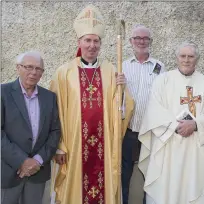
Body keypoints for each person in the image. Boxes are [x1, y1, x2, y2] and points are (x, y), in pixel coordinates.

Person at [49, 4, 134, 204]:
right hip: (74, 145)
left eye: (96, 41)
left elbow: (123, 108)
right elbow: (55, 112)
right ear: (79, 41)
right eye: (87, 40)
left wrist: (121, 92)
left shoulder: (111, 70)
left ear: (100, 44)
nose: (92, 45)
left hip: (103, 146)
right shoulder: (64, 72)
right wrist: (59, 146)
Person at [138, 41, 204, 204]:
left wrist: (195, 125)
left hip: (194, 148)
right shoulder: (163, 81)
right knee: (165, 189)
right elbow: (154, 110)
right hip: (168, 146)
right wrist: (177, 126)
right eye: (183, 56)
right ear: (176, 58)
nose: (186, 60)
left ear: (197, 59)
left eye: (191, 56)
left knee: (193, 188)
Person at [1, 51, 61, 204]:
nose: (33, 72)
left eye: (38, 69)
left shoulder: (50, 97)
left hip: (37, 172)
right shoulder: (3, 93)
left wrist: (37, 160)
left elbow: (55, 132)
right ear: (18, 68)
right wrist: (22, 161)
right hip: (9, 170)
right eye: (28, 67)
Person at [121, 25, 165, 204]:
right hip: (128, 130)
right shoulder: (122, 66)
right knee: (123, 174)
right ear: (131, 42)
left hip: (151, 131)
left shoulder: (160, 67)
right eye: (137, 38)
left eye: (145, 38)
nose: (141, 41)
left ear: (150, 42)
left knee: (151, 175)